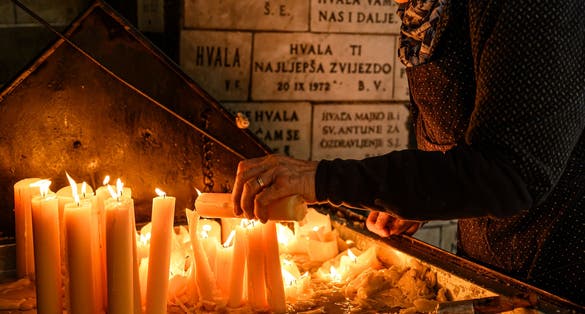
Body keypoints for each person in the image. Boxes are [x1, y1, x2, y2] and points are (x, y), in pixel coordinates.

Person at [231, 0, 585, 305]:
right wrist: (414, 200)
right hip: (488, 270)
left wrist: (323, 179)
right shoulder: (427, 12)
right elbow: (457, 144)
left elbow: (511, 171)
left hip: (559, 276)